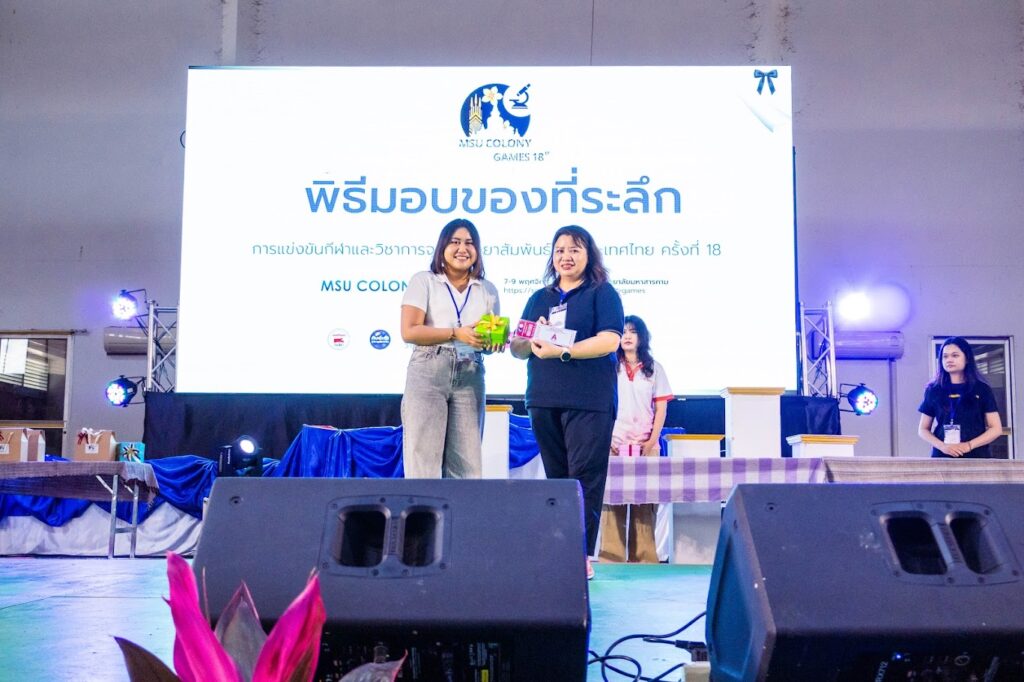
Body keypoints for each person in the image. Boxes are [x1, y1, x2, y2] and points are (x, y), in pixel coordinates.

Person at [511, 225, 624, 579]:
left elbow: (609, 341)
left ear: (589, 254)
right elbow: (518, 348)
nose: (566, 256)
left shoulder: (602, 292)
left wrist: (564, 350)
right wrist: (532, 337)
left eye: (574, 249)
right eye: (559, 250)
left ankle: (581, 554)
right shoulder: (539, 297)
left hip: (589, 400)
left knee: (584, 478)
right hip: (543, 398)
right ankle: (560, 550)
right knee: (557, 480)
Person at [400, 218, 501, 478]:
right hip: (429, 369)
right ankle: (421, 508)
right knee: (423, 464)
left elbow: (486, 341)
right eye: (455, 242)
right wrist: (456, 333)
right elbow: (409, 331)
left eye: (469, 243)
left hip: (470, 372)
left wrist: (494, 343)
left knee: (468, 468)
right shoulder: (424, 281)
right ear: (442, 247)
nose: (462, 249)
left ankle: (462, 509)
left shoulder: (487, 289)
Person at [599, 315, 673, 563]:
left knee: (645, 505)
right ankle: (611, 560)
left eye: (633, 331)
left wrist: (651, 442)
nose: (627, 336)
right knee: (612, 505)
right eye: (623, 332)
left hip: (645, 446)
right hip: (613, 444)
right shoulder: (609, 365)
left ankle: (645, 561)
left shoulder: (655, 368)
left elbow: (661, 409)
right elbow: (601, 404)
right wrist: (606, 438)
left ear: (642, 337)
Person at [917, 337, 1002, 458]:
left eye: (955, 355)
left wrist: (969, 445)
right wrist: (942, 446)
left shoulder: (982, 389)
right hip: (943, 455)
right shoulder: (933, 390)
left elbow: (996, 428)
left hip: (975, 455)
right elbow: (923, 429)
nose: (949, 360)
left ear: (967, 359)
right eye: (945, 357)